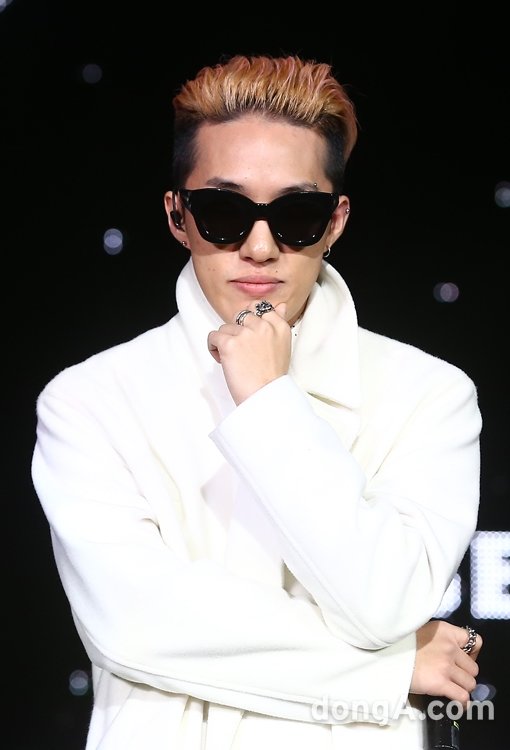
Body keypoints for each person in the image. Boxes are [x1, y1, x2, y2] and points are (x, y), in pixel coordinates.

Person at [32, 54, 483, 750]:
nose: (261, 246)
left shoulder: (430, 395)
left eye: (297, 215)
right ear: (177, 216)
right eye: (224, 212)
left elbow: (385, 601)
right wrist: (392, 668)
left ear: (335, 221)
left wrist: (269, 401)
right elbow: (136, 624)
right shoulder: (89, 400)